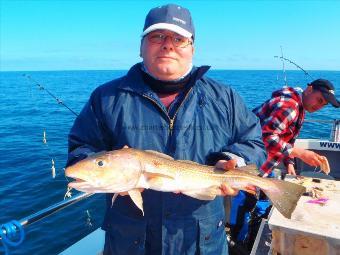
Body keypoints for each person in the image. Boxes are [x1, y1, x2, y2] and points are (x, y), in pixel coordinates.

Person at [66, 4, 266, 255]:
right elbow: (81, 148)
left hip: (201, 242)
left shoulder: (224, 97)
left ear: (192, 48)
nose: (168, 44)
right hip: (129, 242)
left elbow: (253, 140)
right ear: (141, 47)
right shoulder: (106, 98)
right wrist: (101, 165)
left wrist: (233, 161)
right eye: (157, 36)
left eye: (178, 39)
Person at [253, 79, 340, 176]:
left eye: (323, 104)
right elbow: (265, 137)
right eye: (319, 100)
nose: (319, 107)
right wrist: (301, 153)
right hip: (250, 164)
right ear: (309, 90)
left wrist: (289, 163)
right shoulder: (289, 106)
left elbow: (287, 140)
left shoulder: (300, 108)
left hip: (265, 165)